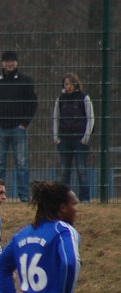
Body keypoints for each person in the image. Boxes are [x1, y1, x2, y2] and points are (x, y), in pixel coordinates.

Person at [0, 51, 37, 202]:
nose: (9, 64)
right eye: (7, 61)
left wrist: (24, 123)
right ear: (2, 63)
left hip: (18, 129)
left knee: (22, 164)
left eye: (12, 61)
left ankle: (24, 196)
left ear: (17, 63)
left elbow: (32, 103)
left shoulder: (26, 81)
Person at [52, 73, 94, 202]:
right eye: (66, 84)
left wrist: (86, 137)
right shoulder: (61, 99)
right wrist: (56, 137)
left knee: (81, 169)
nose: (68, 86)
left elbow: (90, 118)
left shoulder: (84, 98)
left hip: (80, 139)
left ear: (75, 84)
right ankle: (64, 198)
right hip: (64, 139)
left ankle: (85, 198)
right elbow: (56, 118)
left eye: (70, 84)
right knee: (65, 170)